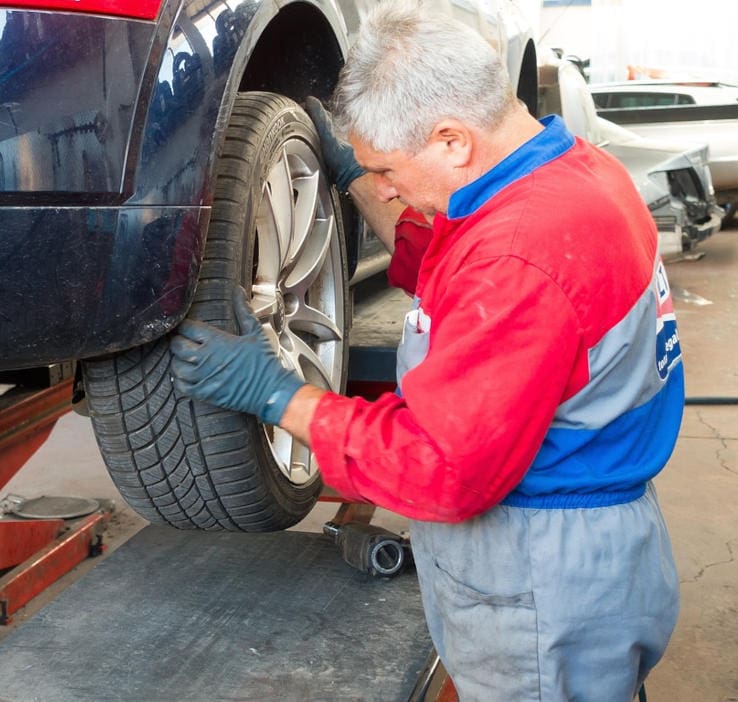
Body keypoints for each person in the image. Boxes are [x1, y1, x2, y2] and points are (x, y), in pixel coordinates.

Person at [168, 3, 681, 700]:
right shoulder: (572, 173)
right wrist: (354, 173)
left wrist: (279, 395)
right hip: (594, 553)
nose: (383, 188)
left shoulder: (522, 256)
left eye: (386, 168)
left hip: (543, 576)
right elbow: (450, 266)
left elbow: (440, 468)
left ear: (450, 140)